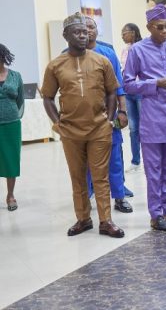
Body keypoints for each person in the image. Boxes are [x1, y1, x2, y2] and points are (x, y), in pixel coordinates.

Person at [41, 12, 124, 238]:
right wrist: (58, 124)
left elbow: (112, 91)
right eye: (77, 32)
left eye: (85, 32)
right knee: (77, 177)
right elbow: (47, 97)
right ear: (65, 35)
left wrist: (109, 120)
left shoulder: (102, 61)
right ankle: (83, 219)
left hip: (99, 129)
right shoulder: (55, 65)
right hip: (71, 131)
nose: (83, 36)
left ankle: (106, 221)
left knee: (101, 176)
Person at [123, 3, 166, 231]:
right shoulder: (137, 50)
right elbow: (128, 84)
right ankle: (156, 215)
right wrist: (156, 83)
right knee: (154, 171)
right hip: (152, 118)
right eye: (159, 27)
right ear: (149, 27)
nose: (165, 31)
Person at [77, 17, 132, 214]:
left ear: (96, 30)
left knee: (114, 158)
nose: (87, 31)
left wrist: (122, 111)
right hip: (81, 119)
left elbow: (119, 86)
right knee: (84, 161)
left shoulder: (107, 53)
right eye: (83, 28)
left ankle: (119, 197)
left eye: (91, 27)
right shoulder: (68, 55)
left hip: (108, 115)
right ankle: (86, 197)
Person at [0, 44, 23, 212]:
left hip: (11, 125)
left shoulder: (15, 76)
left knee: (11, 161)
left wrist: (13, 115)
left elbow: (20, 100)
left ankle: (10, 195)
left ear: (4, 57)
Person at [121, 23, 143, 168]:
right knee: (133, 128)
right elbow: (123, 69)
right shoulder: (124, 50)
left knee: (145, 126)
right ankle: (135, 161)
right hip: (128, 92)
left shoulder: (142, 47)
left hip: (140, 90)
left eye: (125, 33)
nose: (122, 36)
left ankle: (149, 158)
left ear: (133, 32)